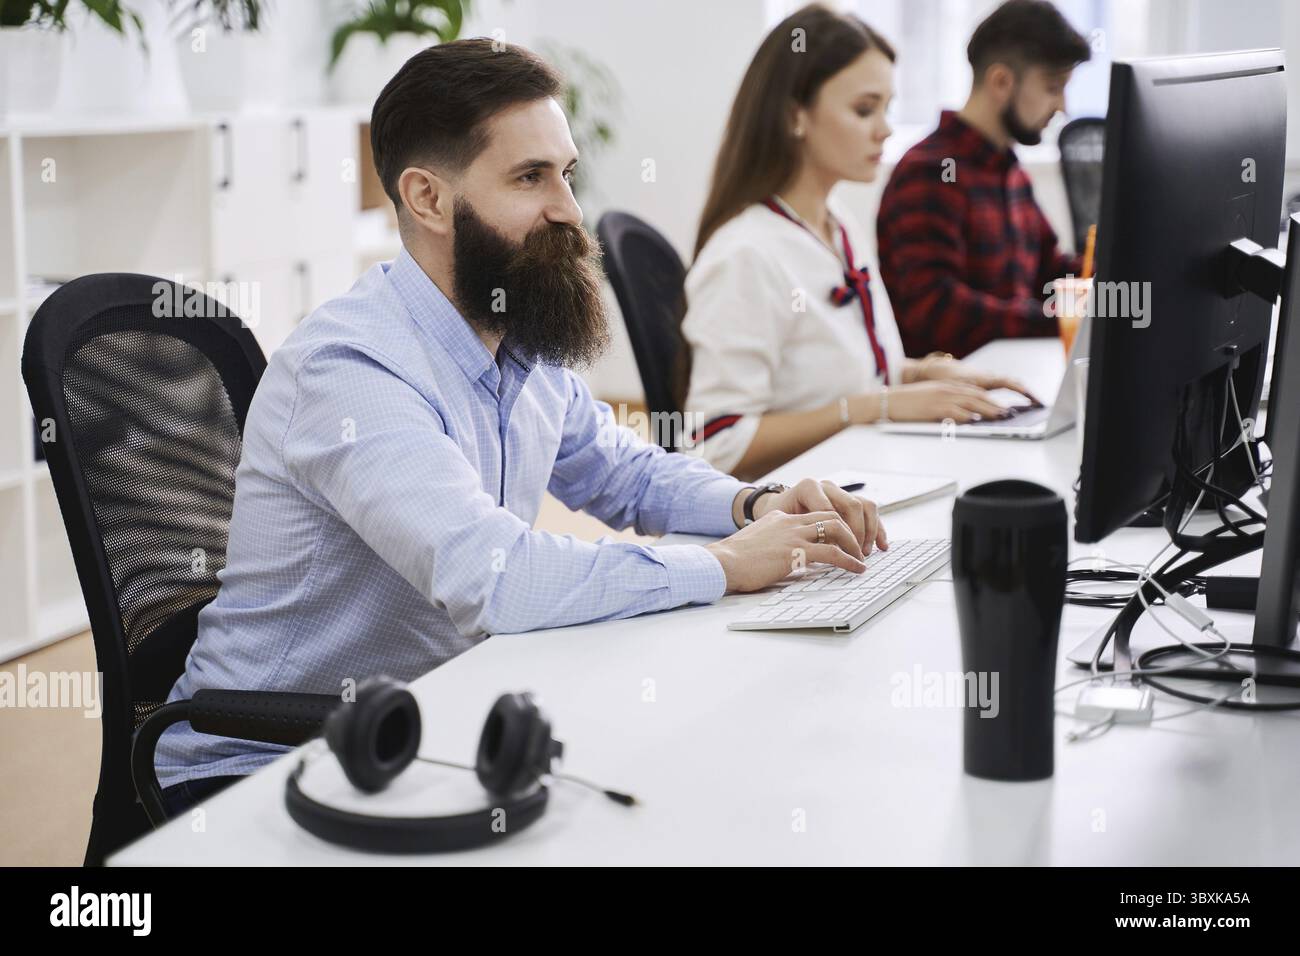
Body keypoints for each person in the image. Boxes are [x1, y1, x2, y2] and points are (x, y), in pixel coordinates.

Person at [153, 38, 884, 808]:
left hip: (428, 723)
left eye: (565, 174)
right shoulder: (350, 369)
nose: (569, 210)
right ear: (429, 198)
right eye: (530, 178)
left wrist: (756, 506)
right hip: (265, 765)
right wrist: (729, 566)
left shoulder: (515, 336)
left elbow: (624, 472)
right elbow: (494, 579)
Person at [683, 3, 1032, 481]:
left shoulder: (838, 227)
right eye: (864, 109)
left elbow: (842, 377)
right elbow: (717, 444)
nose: (885, 128)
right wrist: (876, 405)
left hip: (861, 477)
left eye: (887, 108)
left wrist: (926, 375)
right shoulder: (746, 255)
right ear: (795, 116)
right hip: (795, 518)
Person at [877, 0, 1091, 359]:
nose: (1062, 107)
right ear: (1001, 81)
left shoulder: (1010, 171)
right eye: (1053, 87)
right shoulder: (929, 173)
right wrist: (1060, 318)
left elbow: (1050, 272)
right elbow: (937, 310)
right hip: (952, 394)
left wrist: (1127, 290)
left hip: (1012, 374)